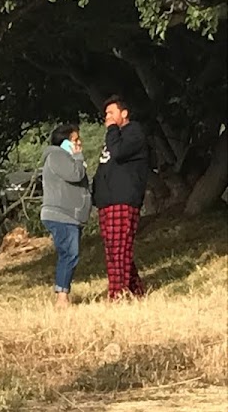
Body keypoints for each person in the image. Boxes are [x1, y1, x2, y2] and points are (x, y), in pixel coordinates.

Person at [92, 96, 149, 300]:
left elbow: (118, 153)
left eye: (111, 113)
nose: (107, 117)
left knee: (119, 248)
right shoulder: (113, 136)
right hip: (107, 200)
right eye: (105, 114)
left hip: (123, 197)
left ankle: (117, 294)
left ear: (124, 114)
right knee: (114, 249)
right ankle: (136, 290)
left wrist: (112, 130)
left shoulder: (133, 132)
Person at [40, 123, 92, 307]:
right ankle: (62, 296)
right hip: (60, 215)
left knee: (70, 254)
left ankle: (63, 293)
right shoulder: (57, 155)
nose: (79, 144)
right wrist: (78, 157)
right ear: (64, 142)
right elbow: (75, 175)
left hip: (70, 216)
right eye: (75, 140)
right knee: (69, 253)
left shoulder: (65, 157)